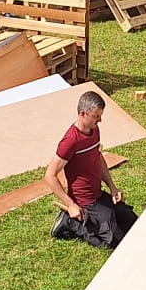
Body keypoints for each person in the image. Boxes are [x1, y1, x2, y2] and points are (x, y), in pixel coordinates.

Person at [47, 91, 138, 249]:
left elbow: (98, 158)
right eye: (97, 116)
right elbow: (50, 176)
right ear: (83, 114)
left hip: (98, 194)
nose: (100, 120)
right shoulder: (70, 141)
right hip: (85, 201)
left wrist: (112, 187)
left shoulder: (94, 130)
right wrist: (70, 205)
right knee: (116, 242)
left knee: (132, 220)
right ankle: (70, 222)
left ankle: (92, 218)